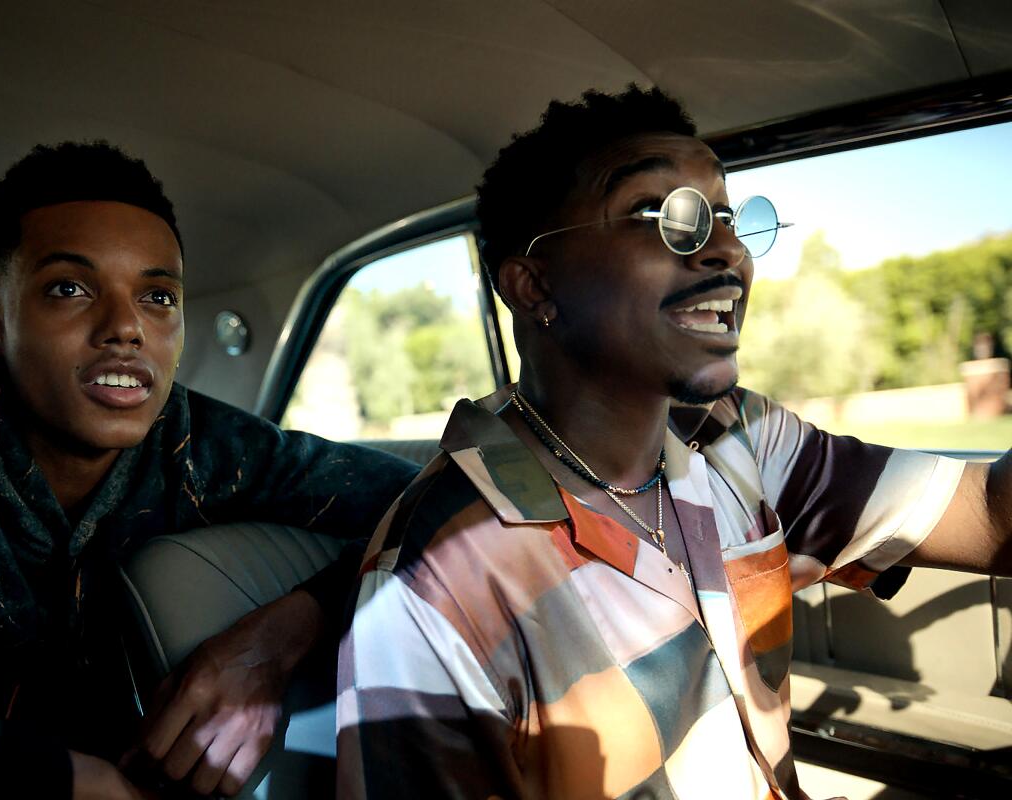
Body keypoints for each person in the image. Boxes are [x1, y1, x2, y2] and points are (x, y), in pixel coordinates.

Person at [336, 85, 1012, 799]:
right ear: (533, 284)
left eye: (724, 216)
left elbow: (995, 517)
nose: (727, 252)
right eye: (661, 215)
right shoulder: (433, 584)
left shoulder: (740, 435)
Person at [0, 141, 418, 799]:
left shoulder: (189, 444)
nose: (126, 326)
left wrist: (275, 642)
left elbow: (437, 504)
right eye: (69, 288)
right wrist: (48, 778)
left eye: (158, 296)